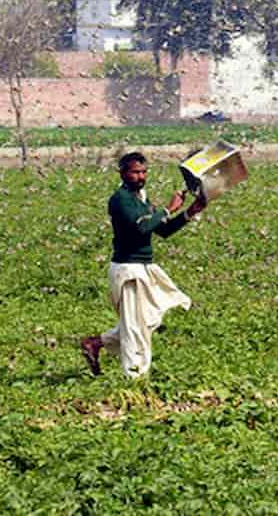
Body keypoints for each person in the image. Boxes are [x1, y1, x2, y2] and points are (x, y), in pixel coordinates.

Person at [81, 151, 206, 377]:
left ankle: (96, 343)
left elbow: (162, 230)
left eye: (144, 172)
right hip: (128, 269)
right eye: (135, 172)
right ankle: (134, 378)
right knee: (135, 328)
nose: (140, 176)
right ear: (122, 173)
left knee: (147, 320)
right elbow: (141, 227)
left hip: (143, 266)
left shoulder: (142, 200)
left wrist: (189, 212)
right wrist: (168, 209)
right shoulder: (120, 200)